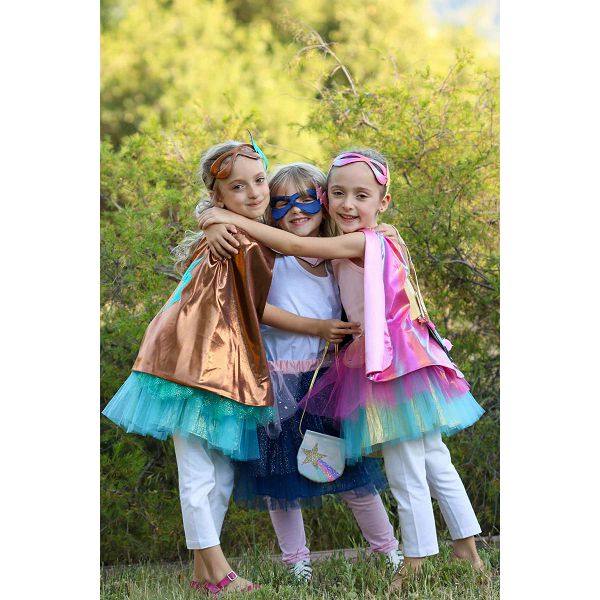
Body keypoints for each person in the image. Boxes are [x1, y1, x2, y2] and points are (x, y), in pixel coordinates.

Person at [197, 148, 486, 585]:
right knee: (432, 459)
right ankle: (466, 548)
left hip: (391, 365)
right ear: (329, 197)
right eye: (338, 194)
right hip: (403, 359)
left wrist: (219, 215)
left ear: (382, 201)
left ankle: (415, 561)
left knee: (406, 466)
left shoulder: (361, 241)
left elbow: (297, 245)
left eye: (360, 196)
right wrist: (212, 218)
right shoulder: (360, 244)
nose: (348, 204)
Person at [204, 162, 403, 582]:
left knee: (352, 474)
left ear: (324, 202)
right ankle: (297, 562)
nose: (296, 210)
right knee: (282, 482)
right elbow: (253, 307)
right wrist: (209, 218)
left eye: (307, 199)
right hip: (278, 383)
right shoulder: (268, 256)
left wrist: (382, 233)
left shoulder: (336, 255)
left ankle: (388, 550)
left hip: (328, 383)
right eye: (282, 203)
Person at [102, 138, 279, 594]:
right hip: (188, 361)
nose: (254, 193)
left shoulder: (238, 228)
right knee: (199, 471)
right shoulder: (230, 233)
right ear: (218, 196)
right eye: (238, 187)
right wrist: (211, 219)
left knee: (221, 472)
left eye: (259, 181)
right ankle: (219, 572)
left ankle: (203, 572)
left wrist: (211, 216)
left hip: (219, 363)